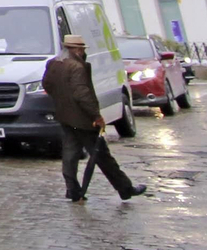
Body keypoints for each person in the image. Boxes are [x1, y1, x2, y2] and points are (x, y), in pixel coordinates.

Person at [42, 35, 147, 202]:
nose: (84, 52)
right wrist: (96, 116)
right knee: (102, 156)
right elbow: (82, 94)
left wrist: (62, 101)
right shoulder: (76, 67)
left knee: (70, 154)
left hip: (65, 116)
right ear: (76, 50)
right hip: (83, 120)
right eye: (82, 49)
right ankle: (125, 189)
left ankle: (73, 190)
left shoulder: (54, 64)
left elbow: (47, 85)